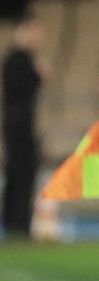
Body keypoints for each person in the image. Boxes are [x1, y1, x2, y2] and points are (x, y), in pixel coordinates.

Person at [2, 12, 44, 237]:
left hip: (17, 124)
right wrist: (37, 74)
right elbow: (23, 90)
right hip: (18, 126)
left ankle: (16, 224)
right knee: (21, 175)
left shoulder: (15, 59)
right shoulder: (18, 60)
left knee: (19, 175)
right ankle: (18, 224)